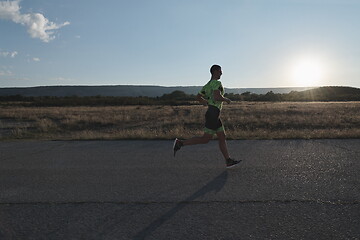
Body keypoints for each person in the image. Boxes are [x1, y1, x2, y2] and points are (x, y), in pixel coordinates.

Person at [173, 64, 241, 168]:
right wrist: (226, 100)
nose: (221, 73)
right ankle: (180, 143)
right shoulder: (217, 83)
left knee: (222, 137)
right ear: (214, 71)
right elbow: (217, 96)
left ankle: (228, 160)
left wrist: (205, 102)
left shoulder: (207, 85)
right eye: (220, 71)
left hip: (214, 114)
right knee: (205, 139)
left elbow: (198, 97)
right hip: (213, 114)